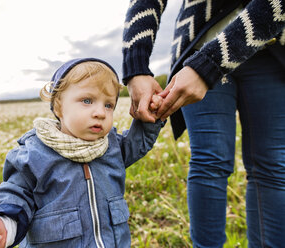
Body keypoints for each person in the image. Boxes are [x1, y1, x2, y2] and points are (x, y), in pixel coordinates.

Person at [122, 0, 285, 247]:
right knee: (210, 160)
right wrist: (136, 66)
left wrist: (210, 64)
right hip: (198, 44)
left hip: (270, 47)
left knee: (272, 165)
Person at [0, 57, 166, 248]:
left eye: (108, 105)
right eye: (87, 100)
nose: (100, 112)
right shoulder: (34, 154)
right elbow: (16, 194)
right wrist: (4, 222)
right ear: (59, 106)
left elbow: (138, 142)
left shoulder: (112, 147)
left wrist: (151, 115)